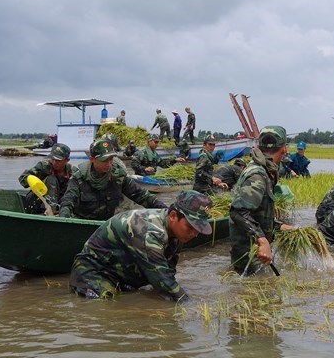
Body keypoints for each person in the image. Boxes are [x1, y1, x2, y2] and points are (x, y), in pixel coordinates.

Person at [69, 190, 213, 301]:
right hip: (94, 273)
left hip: (122, 275)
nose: (194, 234)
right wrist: (190, 305)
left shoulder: (176, 232)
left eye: (198, 229)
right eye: (190, 227)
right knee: (107, 306)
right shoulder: (148, 232)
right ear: (173, 216)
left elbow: (168, 271)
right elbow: (164, 281)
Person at [229, 125, 296, 276]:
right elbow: (238, 211)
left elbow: (257, 214)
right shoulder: (258, 175)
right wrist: (262, 240)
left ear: (259, 146)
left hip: (257, 252)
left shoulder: (266, 170)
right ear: (284, 148)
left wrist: (280, 226)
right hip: (249, 254)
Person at [59, 139, 167, 220]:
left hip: (105, 225)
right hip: (83, 223)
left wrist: (167, 210)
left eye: (111, 159)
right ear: (92, 159)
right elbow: (67, 202)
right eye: (104, 160)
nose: (109, 164)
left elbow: (141, 195)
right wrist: (64, 220)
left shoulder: (118, 176)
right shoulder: (79, 178)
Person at [18, 143, 78, 214]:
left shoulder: (73, 172)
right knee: (51, 179)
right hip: (38, 201)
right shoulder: (44, 166)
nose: (55, 162)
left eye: (58, 160)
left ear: (67, 160)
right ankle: (48, 212)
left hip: (61, 203)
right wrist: (33, 180)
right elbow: (22, 178)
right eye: (53, 159)